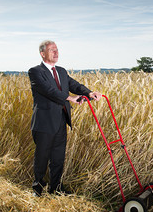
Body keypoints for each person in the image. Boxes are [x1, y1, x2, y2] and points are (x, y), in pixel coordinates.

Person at [28, 40, 102, 196]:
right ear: (42, 54)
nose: (56, 52)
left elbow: (73, 84)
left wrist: (89, 93)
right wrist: (70, 98)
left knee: (58, 158)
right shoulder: (35, 72)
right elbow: (48, 90)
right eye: (51, 50)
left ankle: (56, 188)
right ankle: (38, 189)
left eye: (56, 49)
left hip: (61, 120)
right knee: (42, 157)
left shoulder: (61, 71)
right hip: (44, 123)